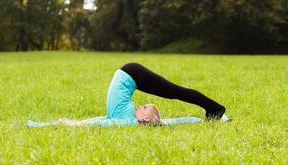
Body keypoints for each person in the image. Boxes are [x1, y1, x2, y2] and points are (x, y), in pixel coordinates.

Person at [58, 63, 225, 127]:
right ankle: (214, 109)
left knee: (174, 92)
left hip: (131, 74)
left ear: (145, 118)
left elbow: (99, 124)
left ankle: (215, 109)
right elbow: (100, 122)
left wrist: (73, 124)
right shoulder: (125, 119)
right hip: (131, 73)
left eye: (143, 108)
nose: (139, 106)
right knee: (174, 92)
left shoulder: (124, 120)